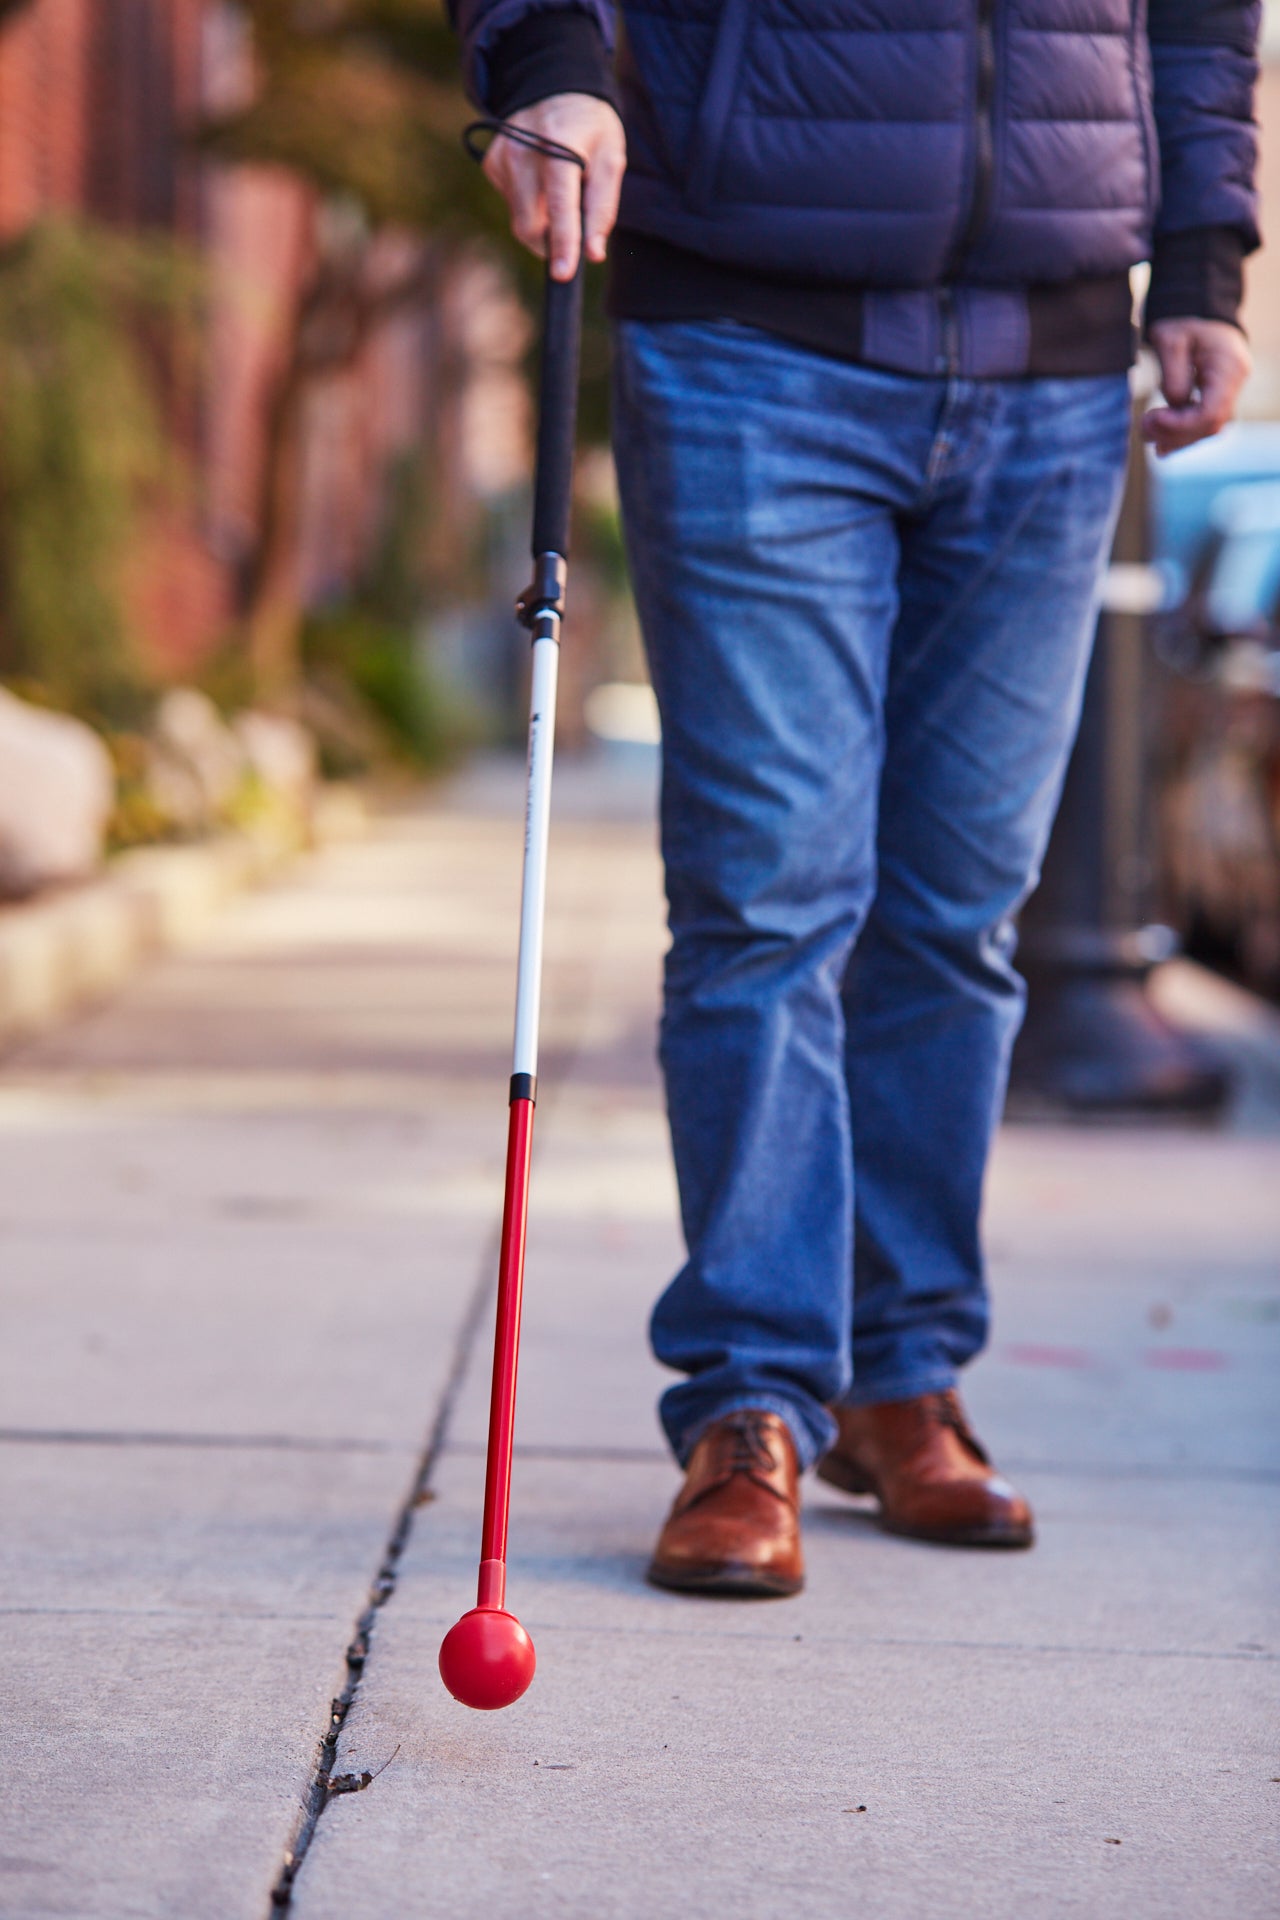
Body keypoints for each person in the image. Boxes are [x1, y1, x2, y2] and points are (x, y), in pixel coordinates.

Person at [453, 0, 1260, 1596]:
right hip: (756, 340)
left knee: (961, 917)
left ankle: (901, 1378)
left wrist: (1209, 259)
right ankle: (753, 1403)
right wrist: (549, 61)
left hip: (1055, 362)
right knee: (769, 899)